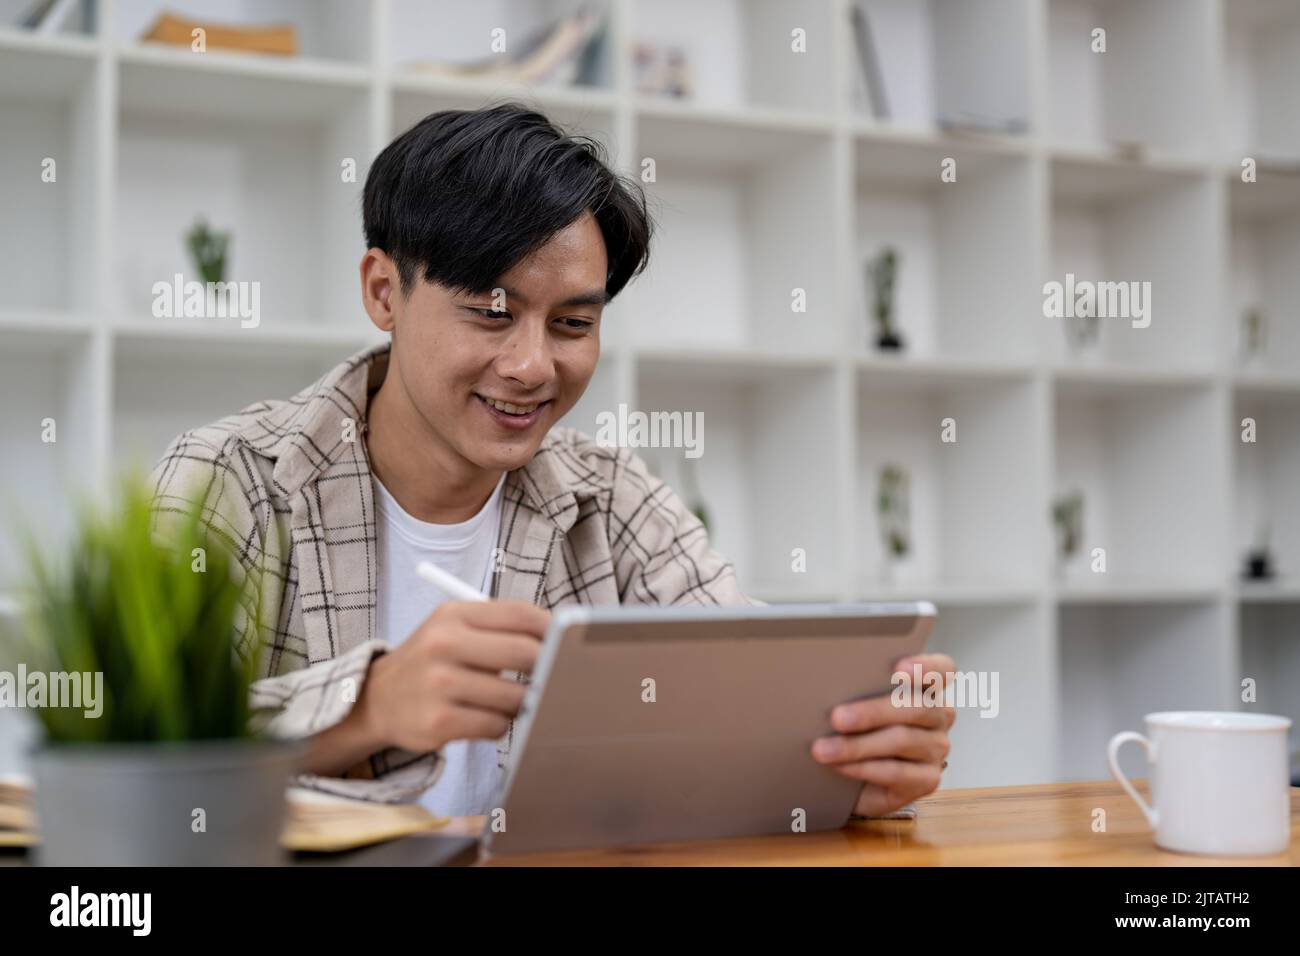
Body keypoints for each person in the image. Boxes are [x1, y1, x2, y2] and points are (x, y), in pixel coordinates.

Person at [149, 103, 954, 819]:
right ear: (384, 290)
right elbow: (124, 773)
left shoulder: (612, 499)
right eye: (491, 314)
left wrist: (851, 767)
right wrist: (369, 709)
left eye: (572, 324)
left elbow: (746, 692)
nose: (533, 366)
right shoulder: (230, 480)